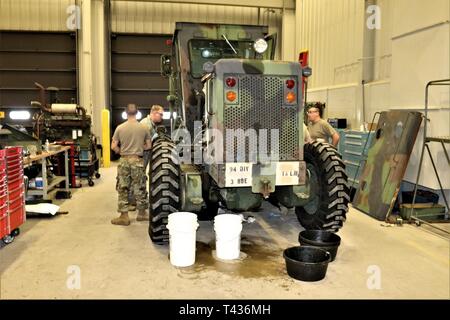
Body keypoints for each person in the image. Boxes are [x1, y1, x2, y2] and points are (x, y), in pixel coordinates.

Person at [111, 104, 151, 226]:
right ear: (137, 113)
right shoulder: (144, 128)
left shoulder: (120, 128)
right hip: (137, 161)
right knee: (140, 187)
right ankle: (142, 214)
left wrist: (121, 151)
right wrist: (139, 148)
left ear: (126, 113)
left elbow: (113, 146)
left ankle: (124, 216)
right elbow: (149, 146)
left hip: (124, 160)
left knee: (123, 187)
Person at [140, 104, 164, 171]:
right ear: (154, 113)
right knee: (140, 175)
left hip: (144, 155)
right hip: (141, 156)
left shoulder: (151, 124)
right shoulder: (146, 124)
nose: (162, 117)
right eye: (161, 114)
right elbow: (138, 143)